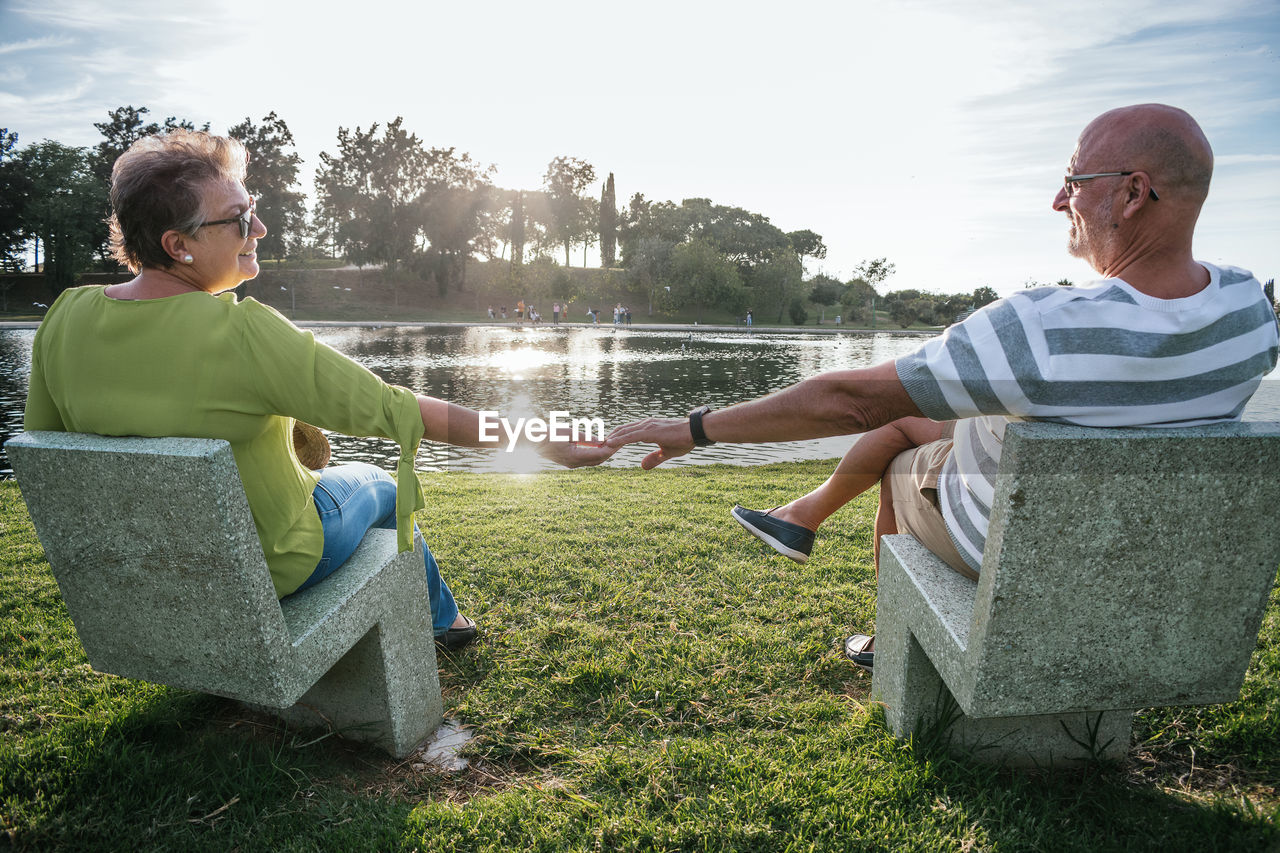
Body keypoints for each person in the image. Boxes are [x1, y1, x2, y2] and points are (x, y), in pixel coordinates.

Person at [606, 104, 1279, 672]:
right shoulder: (1250, 314)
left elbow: (851, 398)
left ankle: (890, 643)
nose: (1057, 199)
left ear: (1132, 194)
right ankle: (801, 515)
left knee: (898, 459)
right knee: (914, 427)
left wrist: (695, 427)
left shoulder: (1038, 331)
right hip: (1148, 568)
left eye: (1073, 180)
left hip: (1022, 558)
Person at [23, 130, 614, 655]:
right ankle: (446, 624)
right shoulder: (242, 331)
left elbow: (45, 451)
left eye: (251, 208)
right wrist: (539, 439)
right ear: (179, 245)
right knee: (380, 482)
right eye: (237, 219)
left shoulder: (66, 316)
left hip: (138, 574)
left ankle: (444, 621)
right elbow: (398, 412)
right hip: (267, 564)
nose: (258, 228)